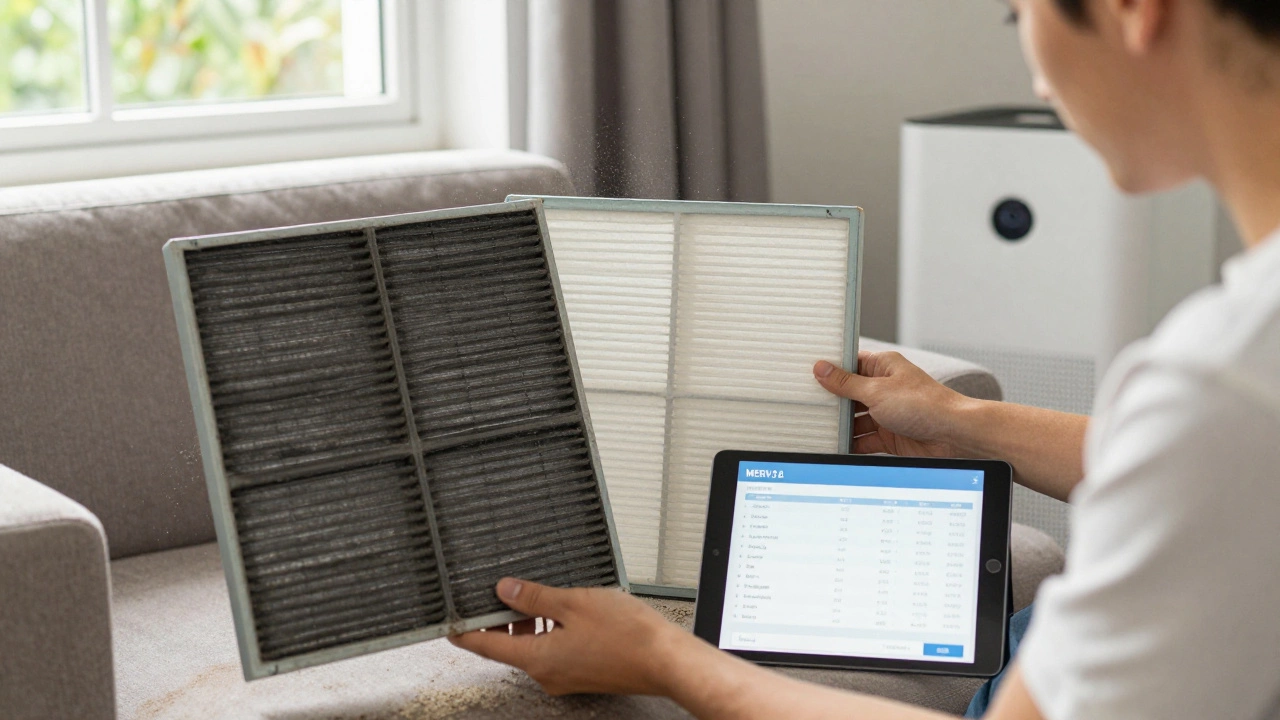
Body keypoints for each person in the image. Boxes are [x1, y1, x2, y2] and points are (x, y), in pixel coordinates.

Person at [451, 0, 1280, 717]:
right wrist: (965, 425)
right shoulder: (1232, 391)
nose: (1034, 76)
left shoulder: (1222, 381)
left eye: (1015, 14)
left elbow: (1212, 442)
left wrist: (663, 660)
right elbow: (1224, 478)